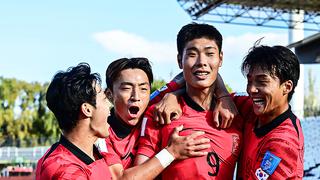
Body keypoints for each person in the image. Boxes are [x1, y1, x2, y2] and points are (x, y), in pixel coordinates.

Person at [135, 23, 244, 179]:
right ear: (180, 60)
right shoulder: (160, 113)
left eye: (209, 54)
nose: (201, 61)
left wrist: (223, 94)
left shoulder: (238, 111)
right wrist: (170, 153)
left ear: (220, 59)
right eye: (192, 54)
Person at [101, 57, 211, 179]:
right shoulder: (100, 133)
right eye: (126, 88)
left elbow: (200, 75)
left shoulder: (153, 103)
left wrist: (173, 95)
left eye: (143, 88)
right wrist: (171, 152)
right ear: (109, 95)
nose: (136, 96)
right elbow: (120, 178)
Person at [229, 45, 304, 179]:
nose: (251, 89)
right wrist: (177, 93)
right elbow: (209, 89)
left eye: (262, 82)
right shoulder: (250, 107)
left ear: (286, 87)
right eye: (249, 81)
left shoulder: (283, 143)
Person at [36, 63, 113, 179]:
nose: (109, 107)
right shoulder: (66, 171)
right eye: (104, 99)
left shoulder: (93, 153)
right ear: (87, 109)